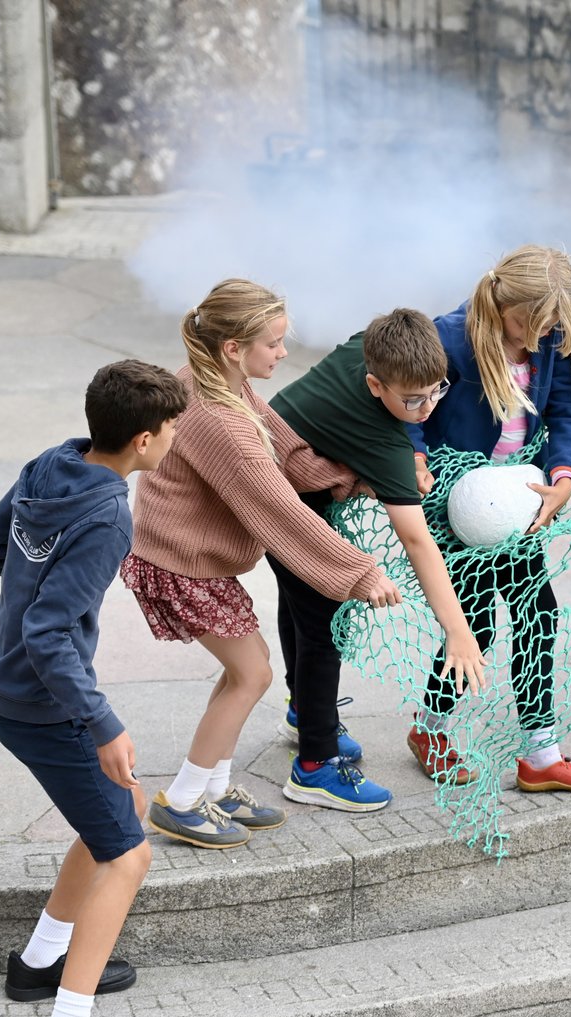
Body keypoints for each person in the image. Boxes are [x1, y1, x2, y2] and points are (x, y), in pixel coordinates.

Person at [126, 279, 401, 847]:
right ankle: (181, 800)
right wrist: (360, 572)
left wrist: (353, 480)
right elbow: (279, 508)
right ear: (233, 347)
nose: (282, 352)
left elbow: (286, 451)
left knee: (244, 672)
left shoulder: (219, 382)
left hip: (191, 559)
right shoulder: (219, 419)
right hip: (180, 565)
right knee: (252, 674)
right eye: (273, 343)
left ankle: (216, 787)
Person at [0, 359, 186, 1017]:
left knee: (120, 809)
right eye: (172, 431)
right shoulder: (108, 517)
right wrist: (103, 723)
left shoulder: (51, 462)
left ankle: (39, 962)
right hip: (43, 705)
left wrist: (28, 593)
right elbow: (48, 633)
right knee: (129, 854)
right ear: (145, 441)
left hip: (0, 680)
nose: (174, 440)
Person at [404, 245, 571, 794]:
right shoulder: (446, 340)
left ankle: (540, 755)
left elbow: (568, 411)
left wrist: (564, 476)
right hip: (458, 510)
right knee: (473, 625)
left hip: (517, 503)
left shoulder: (551, 338)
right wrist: (416, 456)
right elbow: (407, 410)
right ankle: (429, 729)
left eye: (552, 323)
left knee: (537, 614)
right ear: (504, 307)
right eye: (533, 322)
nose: (543, 334)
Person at [267, 307, 487, 810]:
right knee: (324, 615)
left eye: (437, 390)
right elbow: (417, 541)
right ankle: (315, 765)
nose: (427, 408)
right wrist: (457, 630)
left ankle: (305, 713)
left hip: (281, 463)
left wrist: (413, 451)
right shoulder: (383, 442)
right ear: (374, 384)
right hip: (274, 492)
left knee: (299, 600)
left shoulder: (370, 341)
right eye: (413, 399)